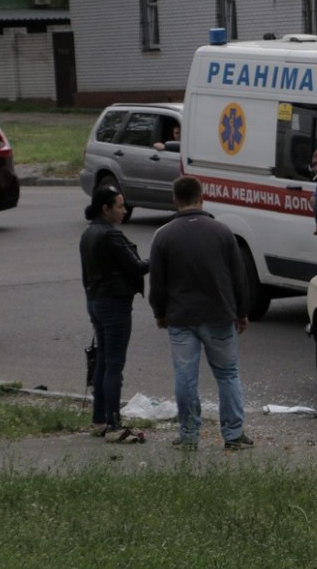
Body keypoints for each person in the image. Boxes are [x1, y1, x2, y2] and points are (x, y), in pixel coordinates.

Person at [148, 175, 252, 451]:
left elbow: (157, 280)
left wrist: (160, 312)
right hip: (219, 314)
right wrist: (241, 312)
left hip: (181, 318)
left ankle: (189, 435)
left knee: (185, 377)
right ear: (201, 197)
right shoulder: (222, 231)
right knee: (228, 374)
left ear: (175, 200)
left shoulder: (164, 235)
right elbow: (238, 277)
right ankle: (233, 434)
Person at [79, 184, 150, 438]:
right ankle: (113, 421)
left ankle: (99, 419)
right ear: (105, 208)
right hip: (115, 304)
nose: (124, 210)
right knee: (114, 365)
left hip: (95, 301)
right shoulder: (111, 235)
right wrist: (157, 259)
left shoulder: (88, 234)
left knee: (103, 362)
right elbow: (136, 267)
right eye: (119, 206)